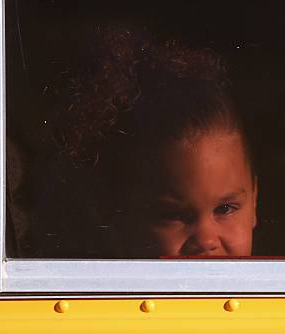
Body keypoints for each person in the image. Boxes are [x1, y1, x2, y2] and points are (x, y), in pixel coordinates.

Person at [53, 27, 258, 258]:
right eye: (174, 215)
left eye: (225, 209)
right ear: (113, 216)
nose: (206, 240)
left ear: (254, 203)